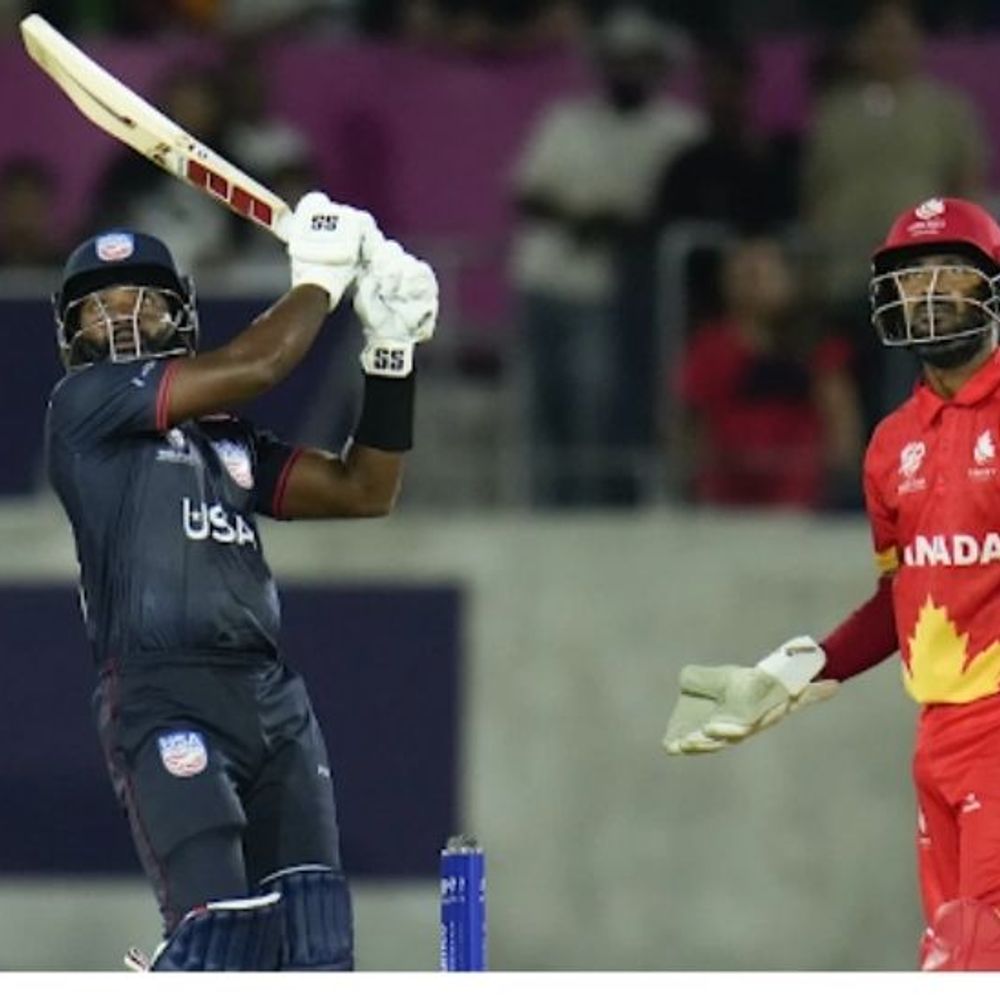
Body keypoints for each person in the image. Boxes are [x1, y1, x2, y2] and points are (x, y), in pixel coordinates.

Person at [44, 192, 438, 971]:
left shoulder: (226, 442)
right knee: (222, 933)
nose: (121, 322)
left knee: (317, 948)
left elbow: (366, 490)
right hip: (162, 694)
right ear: (72, 333)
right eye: (99, 309)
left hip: (272, 702)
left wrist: (390, 353)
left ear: (179, 315)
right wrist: (319, 281)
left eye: (142, 302)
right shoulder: (83, 408)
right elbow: (259, 365)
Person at [663, 196, 1000, 971]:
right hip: (938, 735)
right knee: (955, 958)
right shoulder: (892, 445)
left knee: (972, 960)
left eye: (949, 271)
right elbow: (903, 597)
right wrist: (799, 670)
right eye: (912, 276)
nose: (929, 292)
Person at [510, 3, 704, 506]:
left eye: (639, 60)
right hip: (546, 278)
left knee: (601, 407)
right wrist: (582, 216)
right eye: (618, 59)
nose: (627, 70)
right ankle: (547, 509)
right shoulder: (567, 120)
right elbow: (527, 191)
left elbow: (673, 207)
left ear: (658, 66)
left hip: (619, 292)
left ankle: (596, 509)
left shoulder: (678, 129)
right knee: (545, 406)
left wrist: (614, 224)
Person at [672, 236, 863, 510]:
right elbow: (690, 424)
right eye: (746, 273)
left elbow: (841, 420)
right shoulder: (709, 347)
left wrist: (840, 483)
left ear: (790, 280)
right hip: (724, 502)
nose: (753, 285)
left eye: (762, 274)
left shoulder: (818, 347)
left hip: (802, 503)